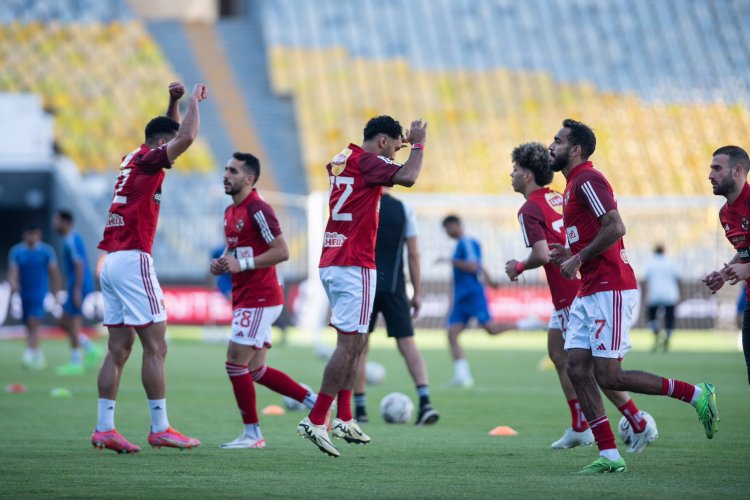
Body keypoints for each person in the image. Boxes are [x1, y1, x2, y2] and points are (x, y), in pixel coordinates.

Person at [547, 118, 718, 473]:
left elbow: (616, 225)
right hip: (590, 289)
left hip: (611, 288)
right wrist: (571, 252)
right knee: (576, 367)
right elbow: (593, 232)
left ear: (575, 149)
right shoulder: (571, 186)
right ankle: (609, 454)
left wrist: (578, 257)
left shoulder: (588, 179)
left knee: (608, 375)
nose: (551, 146)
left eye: (558, 141)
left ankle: (697, 394)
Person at [505, 141, 657, 452]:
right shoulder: (559, 197)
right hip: (579, 284)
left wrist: (518, 266)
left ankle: (635, 420)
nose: (511, 174)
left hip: (572, 289)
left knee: (591, 368)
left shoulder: (529, 208)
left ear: (529, 175)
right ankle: (580, 425)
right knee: (559, 354)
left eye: (516, 170)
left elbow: (541, 253)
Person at [297, 115, 428, 457]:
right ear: (382, 141)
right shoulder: (369, 162)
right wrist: (418, 143)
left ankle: (344, 416)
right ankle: (316, 418)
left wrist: (399, 149)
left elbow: (378, 175)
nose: (397, 154)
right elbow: (409, 177)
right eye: (395, 146)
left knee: (355, 343)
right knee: (349, 345)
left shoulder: (345, 158)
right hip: (354, 263)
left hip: (335, 257)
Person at [91, 81, 207, 454]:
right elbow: (184, 136)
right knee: (156, 347)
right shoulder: (152, 157)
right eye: (168, 150)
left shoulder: (134, 157)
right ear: (161, 147)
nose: (173, 156)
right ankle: (160, 428)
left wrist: (171, 102)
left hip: (111, 262)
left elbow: (166, 134)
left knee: (118, 349)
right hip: (132, 259)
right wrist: (193, 101)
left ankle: (104, 428)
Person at [211, 152, 318, 449]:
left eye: (232, 171)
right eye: (225, 169)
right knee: (255, 369)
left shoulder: (258, 208)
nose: (226, 175)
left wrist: (241, 265)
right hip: (247, 296)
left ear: (248, 179)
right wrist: (223, 262)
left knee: (235, 363)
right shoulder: (230, 211)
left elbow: (282, 251)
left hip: (260, 296)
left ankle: (253, 435)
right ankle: (315, 402)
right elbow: (238, 251)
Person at [353, 188, 439, 426]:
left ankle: (359, 410)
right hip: (394, 285)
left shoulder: (359, 203)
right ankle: (425, 403)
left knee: (359, 347)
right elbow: (413, 253)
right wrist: (418, 292)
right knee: (407, 344)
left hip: (363, 284)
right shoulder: (403, 209)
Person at [439, 215, 513, 387]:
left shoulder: (466, 242)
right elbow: (479, 266)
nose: (447, 232)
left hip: (472, 295)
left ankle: (527, 324)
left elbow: (473, 266)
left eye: (447, 228)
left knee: (491, 330)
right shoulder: (461, 244)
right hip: (461, 298)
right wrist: (490, 280)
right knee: (451, 334)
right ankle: (463, 377)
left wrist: (450, 260)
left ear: (455, 225)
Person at [704, 145, 750, 384]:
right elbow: (745, 253)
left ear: (738, 171)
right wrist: (723, 274)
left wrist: (748, 268)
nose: (710, 175)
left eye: (717, 168)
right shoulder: (725, 214)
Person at [52, 210, 103, 375]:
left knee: (70, 321)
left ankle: (76, 362)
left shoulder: (72, 240)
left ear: (66, 222)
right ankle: (89, 349)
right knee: (66, 321)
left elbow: (79, 265)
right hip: (76, 285)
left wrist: (77, 290)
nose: (54, 224)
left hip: (78, 286)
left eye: (57, 220)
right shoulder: (71, 239)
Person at [8, 226, 60, 370]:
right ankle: (37, 352)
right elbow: (13, 271)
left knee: (34, 321)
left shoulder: (46, 251)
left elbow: (54, 273)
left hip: (39, 293)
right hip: (24, 293)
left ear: (39, 235)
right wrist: (13, 282)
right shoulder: (17, 251)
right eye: (30, 234)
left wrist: (55, 293)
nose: (32, 237)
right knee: (27, 323)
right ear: (25, 235)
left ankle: (29, 352)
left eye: (35, 234)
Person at [643, 245, 681, 352]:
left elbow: (646, 280)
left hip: (654, 294)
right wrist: (680, 295)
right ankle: (667, 338)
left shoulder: (650, 262)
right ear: (664, 251)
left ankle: (656, 336)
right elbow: (678, 279)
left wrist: (645, 296)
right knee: (669, 318)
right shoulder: (671, 262)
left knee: (652, 317)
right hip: (670, 294)